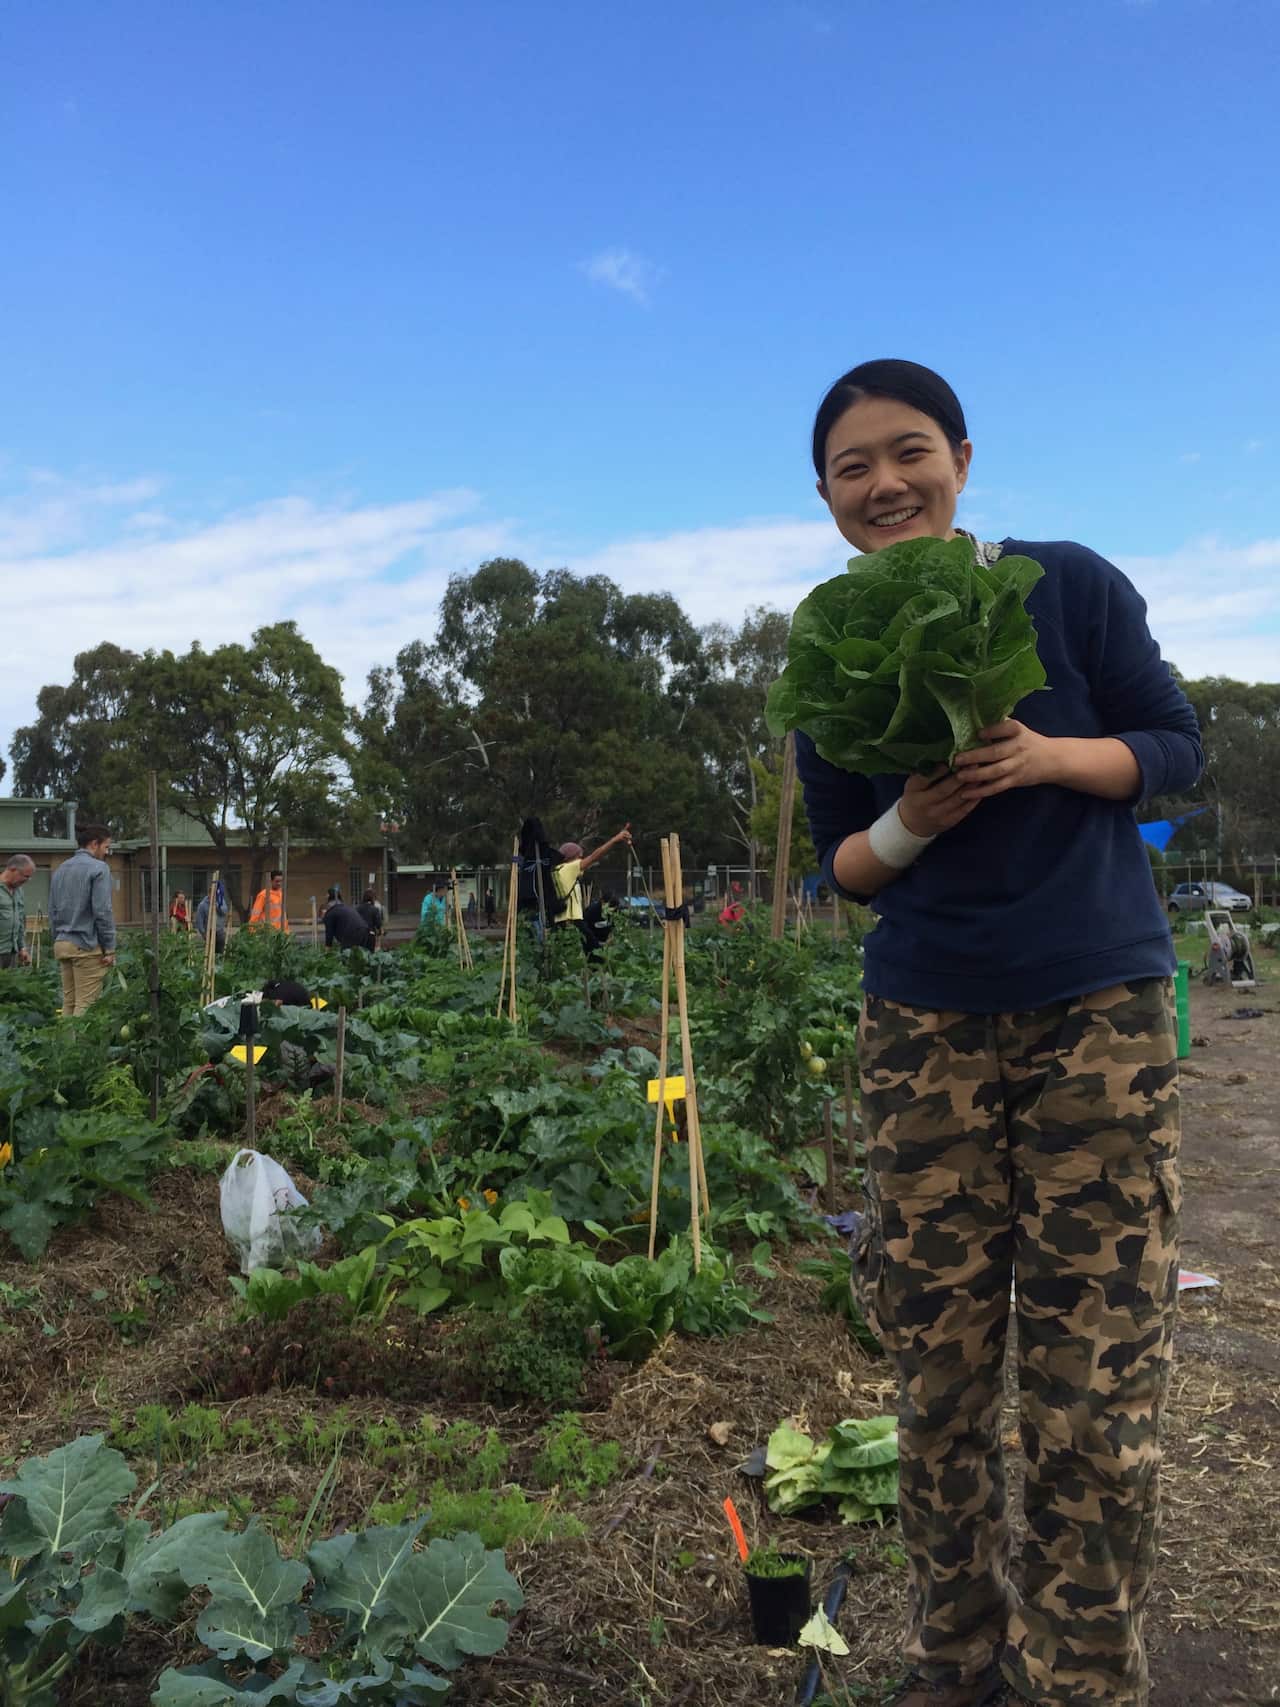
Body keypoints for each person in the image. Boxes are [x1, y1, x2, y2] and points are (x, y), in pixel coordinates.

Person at [796, 360, 1202, 1707]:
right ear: (828, 496)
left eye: (908, 450)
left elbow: (1174, 746)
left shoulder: (1064, 583)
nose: (884, 481)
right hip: (923, 1023)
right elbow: (838, 868)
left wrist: (1040, 757)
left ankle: (1083, 1670)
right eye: (853, 467)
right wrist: (916, 815)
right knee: (940, 1370)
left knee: (1095, 1372)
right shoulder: (829, 640)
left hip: (1099, 1011)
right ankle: (957, 1656)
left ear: (962, 457)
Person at [48, 823, 117, 1015]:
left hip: (62, 943)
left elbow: (52, 911)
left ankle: (65, 1045)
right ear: (94, 844)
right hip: (86, 945)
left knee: (69, 1003)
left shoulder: (61, 869)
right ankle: (83, 1046)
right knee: (87, 1005)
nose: (106, 852)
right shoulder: (99, 868)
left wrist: (57, 937)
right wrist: (110, 948)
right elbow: (102, 911)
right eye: (106, 847)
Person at [551, 826, 632, 929]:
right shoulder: (569, 868)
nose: (581, 860)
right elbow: (594, 857)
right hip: (571, 920)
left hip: (559, 921)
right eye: (579, 857)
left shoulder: (556, 871)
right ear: (571, 858)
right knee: (592, 944)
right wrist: (615, 840)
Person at [0, 855, 35, 969]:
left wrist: (22, 947)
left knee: (10, 985)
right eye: (26, 876)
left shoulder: (18, 891)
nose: (27, 880)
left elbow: (19, 920)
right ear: (13, 870)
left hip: (11, 953)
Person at [194, 886, 229, 951]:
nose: (214, 896)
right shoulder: (202, 905)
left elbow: (224, 911)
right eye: (212, 894)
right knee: (210, 950)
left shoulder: (221, 901)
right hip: (209, 931)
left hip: (219, 930)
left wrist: (217, 906)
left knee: (221, 949)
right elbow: (199, 920)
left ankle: (219, 960)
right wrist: (203, 933)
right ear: (209, 893)